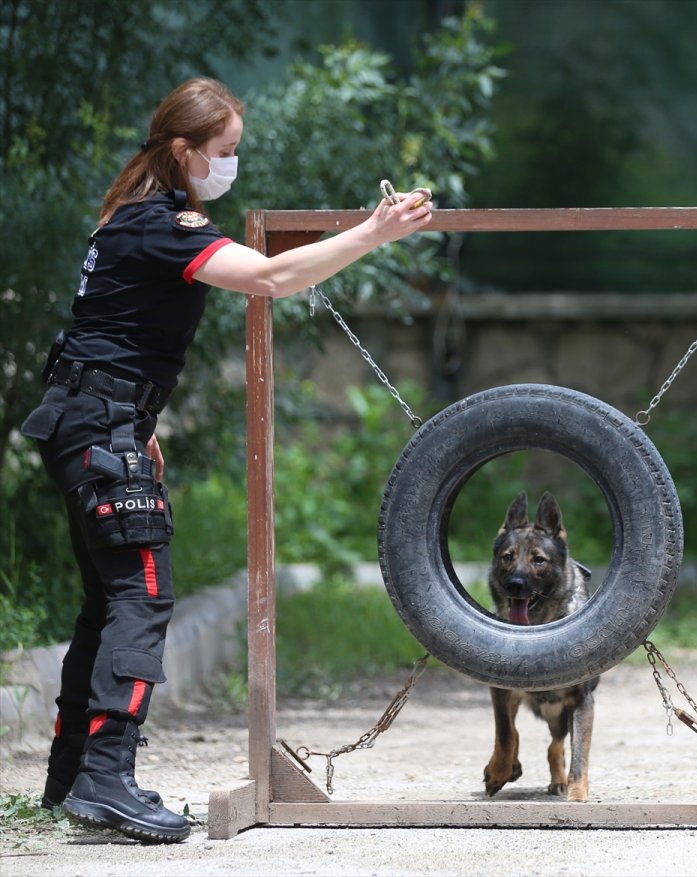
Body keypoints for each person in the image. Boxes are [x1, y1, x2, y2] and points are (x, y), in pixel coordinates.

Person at [20, 77, 433, 844]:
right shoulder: (162, 222)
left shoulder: (132, 217)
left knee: (109, 600)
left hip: (92, 419)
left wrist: (134, 421)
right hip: (96, 423)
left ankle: (72, 775)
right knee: (142, 598)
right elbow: (270, 279)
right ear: (182, 150)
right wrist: (375, 233)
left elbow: (108, 330)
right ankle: (105, 780)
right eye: (224, 152)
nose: (230, 164)